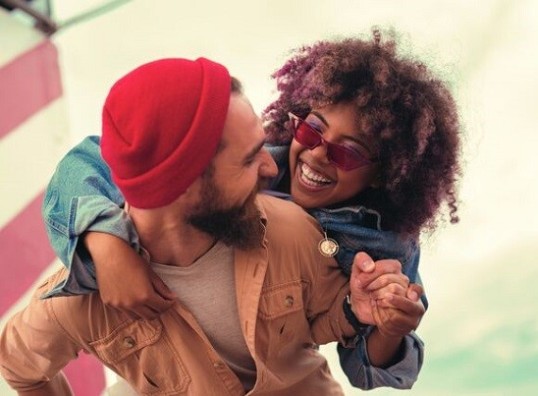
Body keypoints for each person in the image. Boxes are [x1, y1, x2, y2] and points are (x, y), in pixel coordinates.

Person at [39, 29, 457, 390]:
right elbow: (92, 158)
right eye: (311, 129)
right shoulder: (245, 160)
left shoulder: (385, 244)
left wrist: (391, 328)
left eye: (347, 154)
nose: (316, 155)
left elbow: (369, 370)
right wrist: (105, 243)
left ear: (385, 175)